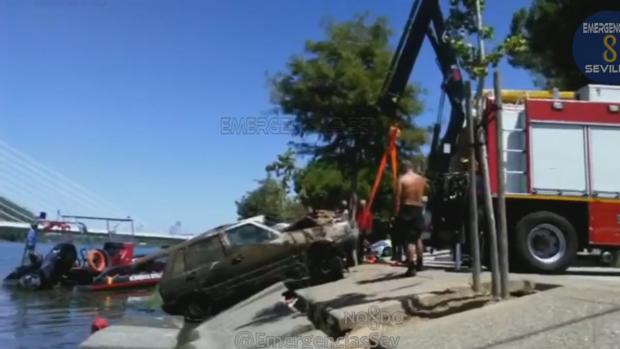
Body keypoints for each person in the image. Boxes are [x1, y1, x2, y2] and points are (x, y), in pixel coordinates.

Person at [395, 160, 428, 277]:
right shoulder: (421, 179)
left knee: (408, 240)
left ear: (403, 168)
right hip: (418, 208)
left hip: (407, 208)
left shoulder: (402, 179)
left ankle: (411, 266)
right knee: (418, 237)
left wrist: (396, 212)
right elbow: (425, 192)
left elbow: (398, 197)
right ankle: (420, 263)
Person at [356, 199, 373, 264]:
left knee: (363, 245)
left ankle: (362, 258)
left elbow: (370, 222)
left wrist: (369, 229)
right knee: (359, 245)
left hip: (364, 230)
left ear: (365, 205)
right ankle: (359, 258)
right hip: (359, 230)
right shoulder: (358, 213)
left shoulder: (368, 213)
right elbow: (357, 220)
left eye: (363, 205)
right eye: (361, 205)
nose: (362, 206)